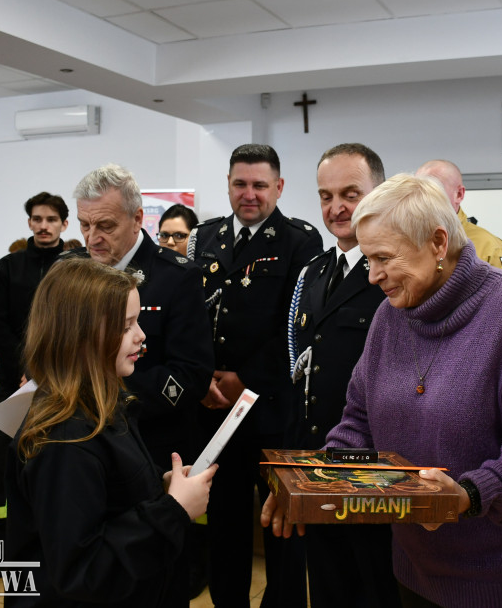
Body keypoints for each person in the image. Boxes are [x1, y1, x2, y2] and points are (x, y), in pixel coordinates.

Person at [264, 174, 502, 608]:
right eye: (368, 260)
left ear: (438, 242)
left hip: (496, 569)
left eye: (384, 258)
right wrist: (312, 485)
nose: (372, 277)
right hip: (415, 560)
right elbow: (358, 420)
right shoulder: (391, 315)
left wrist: (470, 495)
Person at [5, 258, 218, 607]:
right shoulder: (66, 440)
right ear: (81, 335)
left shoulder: (106, 403)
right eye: (126, 326)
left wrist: (160, 493)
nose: (141, 336)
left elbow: (109, 502)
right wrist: (172, 511)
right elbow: (82, 572)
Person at [71, 164, 214, 606]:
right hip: (84, 451)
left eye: (106, 225)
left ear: (137, 219)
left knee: (156, 579)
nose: (93, 237)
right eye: (85, 224)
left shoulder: (176, 275)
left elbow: (189, 374)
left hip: (152, 451)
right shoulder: (74, 274)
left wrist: (107, 397)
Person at [188, 143, 323, 608]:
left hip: (270, 410)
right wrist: (203, 376)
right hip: (213, 410)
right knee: (224, 523)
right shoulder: (202, 237)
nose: (249, 194)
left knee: (280, 523)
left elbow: (294, 323)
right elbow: (193, 317)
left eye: (260, 185)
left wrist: (245, 379)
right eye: (240, 184)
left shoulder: (300, 241)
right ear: (228, 185)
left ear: (279, 187)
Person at [284, 143, 399, 608]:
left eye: (350, 193)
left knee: (374, 588)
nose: (337, 208)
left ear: (380, 192)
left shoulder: (395, 272)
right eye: (326, 195)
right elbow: (299, 374)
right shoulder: (314, 271)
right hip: (317, 461)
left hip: (373, 468)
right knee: (327, 585)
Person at [0, 191, 69, 542]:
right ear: (29, 222)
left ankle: (48, 549)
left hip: (63, 386)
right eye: (37, 219)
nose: (44, 226)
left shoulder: (76, 268)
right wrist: (27, 369)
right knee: (1, 468)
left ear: (64, 223)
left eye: (51, 219)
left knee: (55, 466)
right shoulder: (6, 267)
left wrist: (44, 370)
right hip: (16, 386)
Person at [416, 159, 502, 276]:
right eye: (417, 190)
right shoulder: (406, 239)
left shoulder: (490, 247)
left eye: (434, 191)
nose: (423, 198)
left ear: (459, 194)